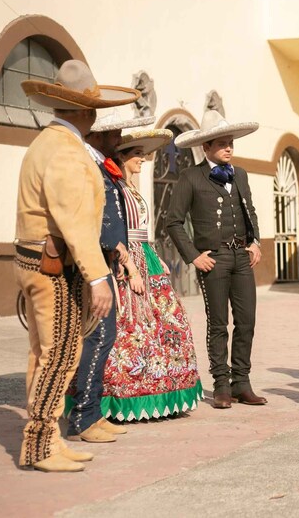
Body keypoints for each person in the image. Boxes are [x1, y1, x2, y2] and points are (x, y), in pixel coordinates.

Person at [15, 60, 139, 472]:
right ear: (86, 113)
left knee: (44, 353)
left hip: (39, 259)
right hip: (54, 265)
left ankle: (46, 438)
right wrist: (97, 277)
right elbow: (74, 220)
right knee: (60, 354)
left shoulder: (46, 143)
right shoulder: (66, 150)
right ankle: (40, 445)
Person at [102, 128, 204, 420]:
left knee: (169, 322)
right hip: (127, 260)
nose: (143, 159)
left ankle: (164, 392)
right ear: (120, 156)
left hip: (147, 257)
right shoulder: (115, 187)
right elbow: (113, 228)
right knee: (132, 326)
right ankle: (123, 395)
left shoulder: (129, 186)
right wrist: (128, 266)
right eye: (136, 154)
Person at [167, 110, 264, 409]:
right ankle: (221, 384)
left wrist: (255, 241)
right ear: (206, 147)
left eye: (230, 142)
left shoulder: (241, 174)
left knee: (246, 321)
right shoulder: (190, 177)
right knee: (219, 323)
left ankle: (242, 383)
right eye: (221, 143)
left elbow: (250, 210)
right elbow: (173, 222)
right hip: (214, 259)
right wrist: (194, 256)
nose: (229, 148)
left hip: (241, 257)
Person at [66, 111, 152, 443]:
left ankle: (91, 413)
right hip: (92, 262)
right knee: (98, 337)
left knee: (104, 336)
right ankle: (82, 419)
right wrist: (118, 253)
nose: (119, 136)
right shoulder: (88, 164)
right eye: (114, 131)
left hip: (105, 259)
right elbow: (94, 216)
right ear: (99, 134)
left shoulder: (102, 164)